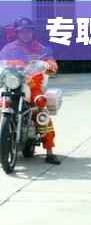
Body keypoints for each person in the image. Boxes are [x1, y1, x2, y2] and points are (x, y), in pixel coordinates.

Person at [0, 17, 60, 164]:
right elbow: (1, 61)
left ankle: (50, 151)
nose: (25, 34)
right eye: (22, 31)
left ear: (32, 32)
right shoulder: (9, 48)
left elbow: (50, 61)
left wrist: (50, 66)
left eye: (28, 31)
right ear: (17, 33)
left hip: (32, 85)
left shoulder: (41, 49)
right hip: (12, 83)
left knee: (41, 109)